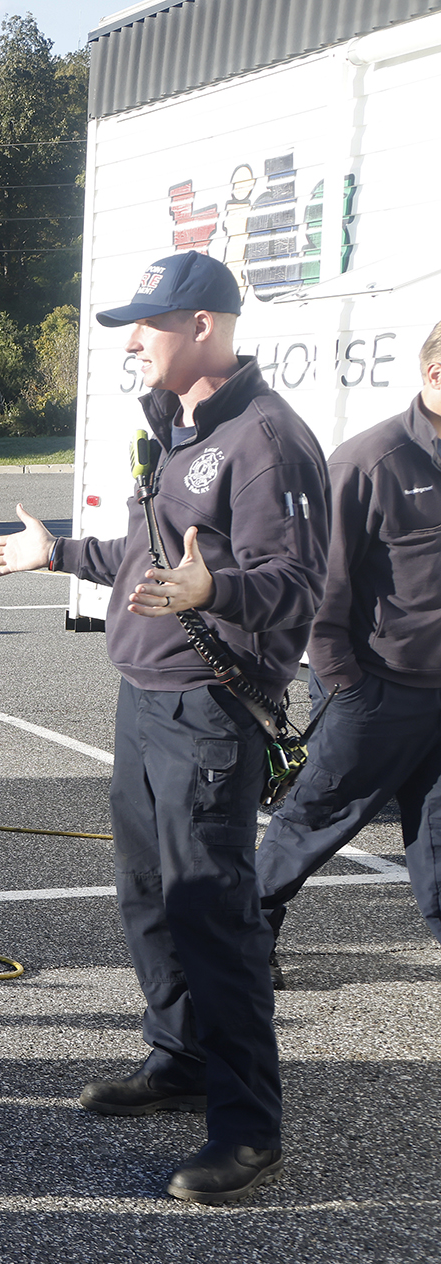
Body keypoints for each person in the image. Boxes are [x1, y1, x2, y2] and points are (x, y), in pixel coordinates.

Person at [0, 250, 326, 1206]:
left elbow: (298, 582)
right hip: (146, 694)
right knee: (148, 895)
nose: (134, 339)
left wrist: (220, 590)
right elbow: (149, 553)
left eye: (149, 322)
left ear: (203, 325)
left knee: (214, 912)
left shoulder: (265, 439)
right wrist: (58, 555)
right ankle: (182, 1057)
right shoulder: (179, 426)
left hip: (210, 710)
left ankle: (249, 1128)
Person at [257, 320, 441, 965]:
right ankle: (244, 946)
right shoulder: (370, 462)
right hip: (377, 689)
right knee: (314, 820)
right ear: (436, 374)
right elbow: (319, 582)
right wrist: (345, 683)